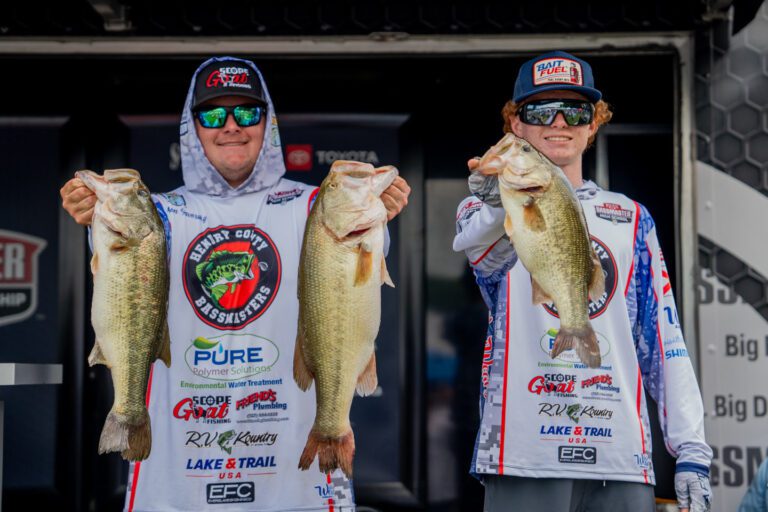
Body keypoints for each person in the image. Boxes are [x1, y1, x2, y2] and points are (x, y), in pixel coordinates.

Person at [60, 56, 410, 511]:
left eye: (247, 113)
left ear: (269, 124)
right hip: (179, 462)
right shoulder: (156, 214)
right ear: (192, 128)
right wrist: (93, 216)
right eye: (212, 114)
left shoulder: (317, 206)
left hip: (292, 463)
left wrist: (382, 213)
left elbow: (358, 275)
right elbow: (121, 268)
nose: (231, 126)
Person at [453, 50, 712, 512]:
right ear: (515, 124)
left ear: (593, 124)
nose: (558, 121)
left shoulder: (632, 218)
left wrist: (690, 447)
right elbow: (483, 256)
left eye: (575, 110)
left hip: (621, 458)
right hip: (522, 454)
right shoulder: (483, 209)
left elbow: (663, 339)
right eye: (538, 110)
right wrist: (499, 201)